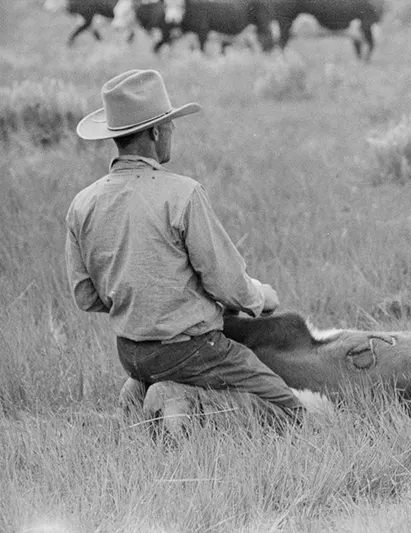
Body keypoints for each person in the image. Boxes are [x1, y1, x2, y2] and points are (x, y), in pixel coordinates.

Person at [65, 69, 304, 425]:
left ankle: (139, 392)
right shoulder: (182, 194)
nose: (172, 132)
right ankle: (183, 403)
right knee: (291, 410)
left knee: (161, 368)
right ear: (157, 131)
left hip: (130, 352)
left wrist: (139, 304)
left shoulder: (83, 204)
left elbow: (86, 296)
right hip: (190, 350)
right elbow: (226, 283)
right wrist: (260, 298)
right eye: (170, 123)